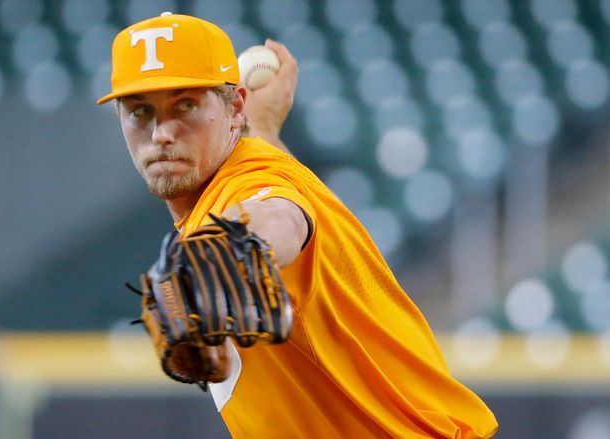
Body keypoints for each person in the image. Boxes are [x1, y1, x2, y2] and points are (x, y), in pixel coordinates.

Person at [97, 12, 498, 439]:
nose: (161, 133)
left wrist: (224, 251)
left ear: (235, 107)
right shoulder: (255, 161)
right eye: (140, 111)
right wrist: (264, 125)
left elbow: (279, 217)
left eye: (186, 105)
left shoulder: (254, 188)